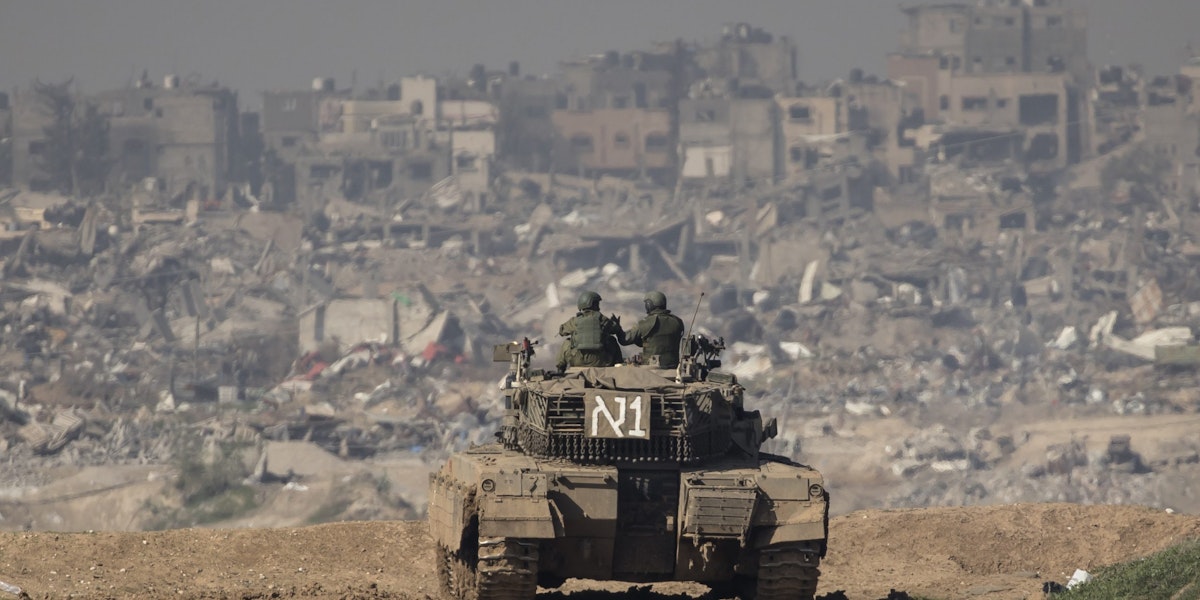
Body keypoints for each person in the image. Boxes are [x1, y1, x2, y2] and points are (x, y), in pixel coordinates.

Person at [555, 290, 624, 371]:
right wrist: (615, 323)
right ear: (593, 304)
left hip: (578, 361)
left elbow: (562, 331)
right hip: (601, 361)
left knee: (567, 342)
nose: (598, 306)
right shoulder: (603, 319)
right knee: (612, 340)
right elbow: (615, 329)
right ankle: (618, 365)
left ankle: (560, 369)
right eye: (597, 303)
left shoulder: (575, 321)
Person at [619, 290, 685, 368]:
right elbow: (654, 341)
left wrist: (617, 329)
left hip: (651, 368)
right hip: (674, 366)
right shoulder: (677, 322)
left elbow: (625, 340)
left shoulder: (646, 323)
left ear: (649, 305)